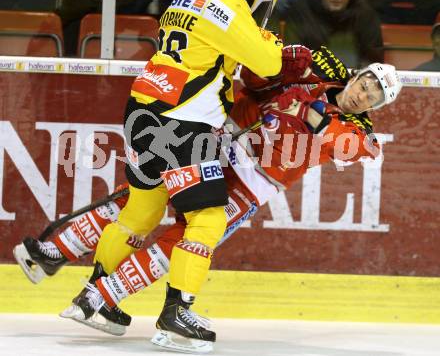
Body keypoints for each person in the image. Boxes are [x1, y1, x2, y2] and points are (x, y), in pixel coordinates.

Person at [14, 47, 402, 351]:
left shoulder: (359, 131)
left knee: (179, 238)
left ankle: (86, 285)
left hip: (251, 181)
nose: (363, 95)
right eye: (367, 83)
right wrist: (288, 61)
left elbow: (349, 145)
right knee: (139, 205)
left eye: (374, 97)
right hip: (215, 142)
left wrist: (309, 111)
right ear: (357, 74)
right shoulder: (315, 78)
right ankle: (64, 262)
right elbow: (252, 80)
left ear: (376, 108)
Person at [55, 0, 305, 351]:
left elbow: (242, 1)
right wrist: (274, 45)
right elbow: (269, 64)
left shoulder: (181, 0)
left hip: (142, 112)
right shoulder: (225, 4)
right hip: (185, 125)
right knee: (207, 218)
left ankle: (97, 296)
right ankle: (176, 315)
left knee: (141, 211)